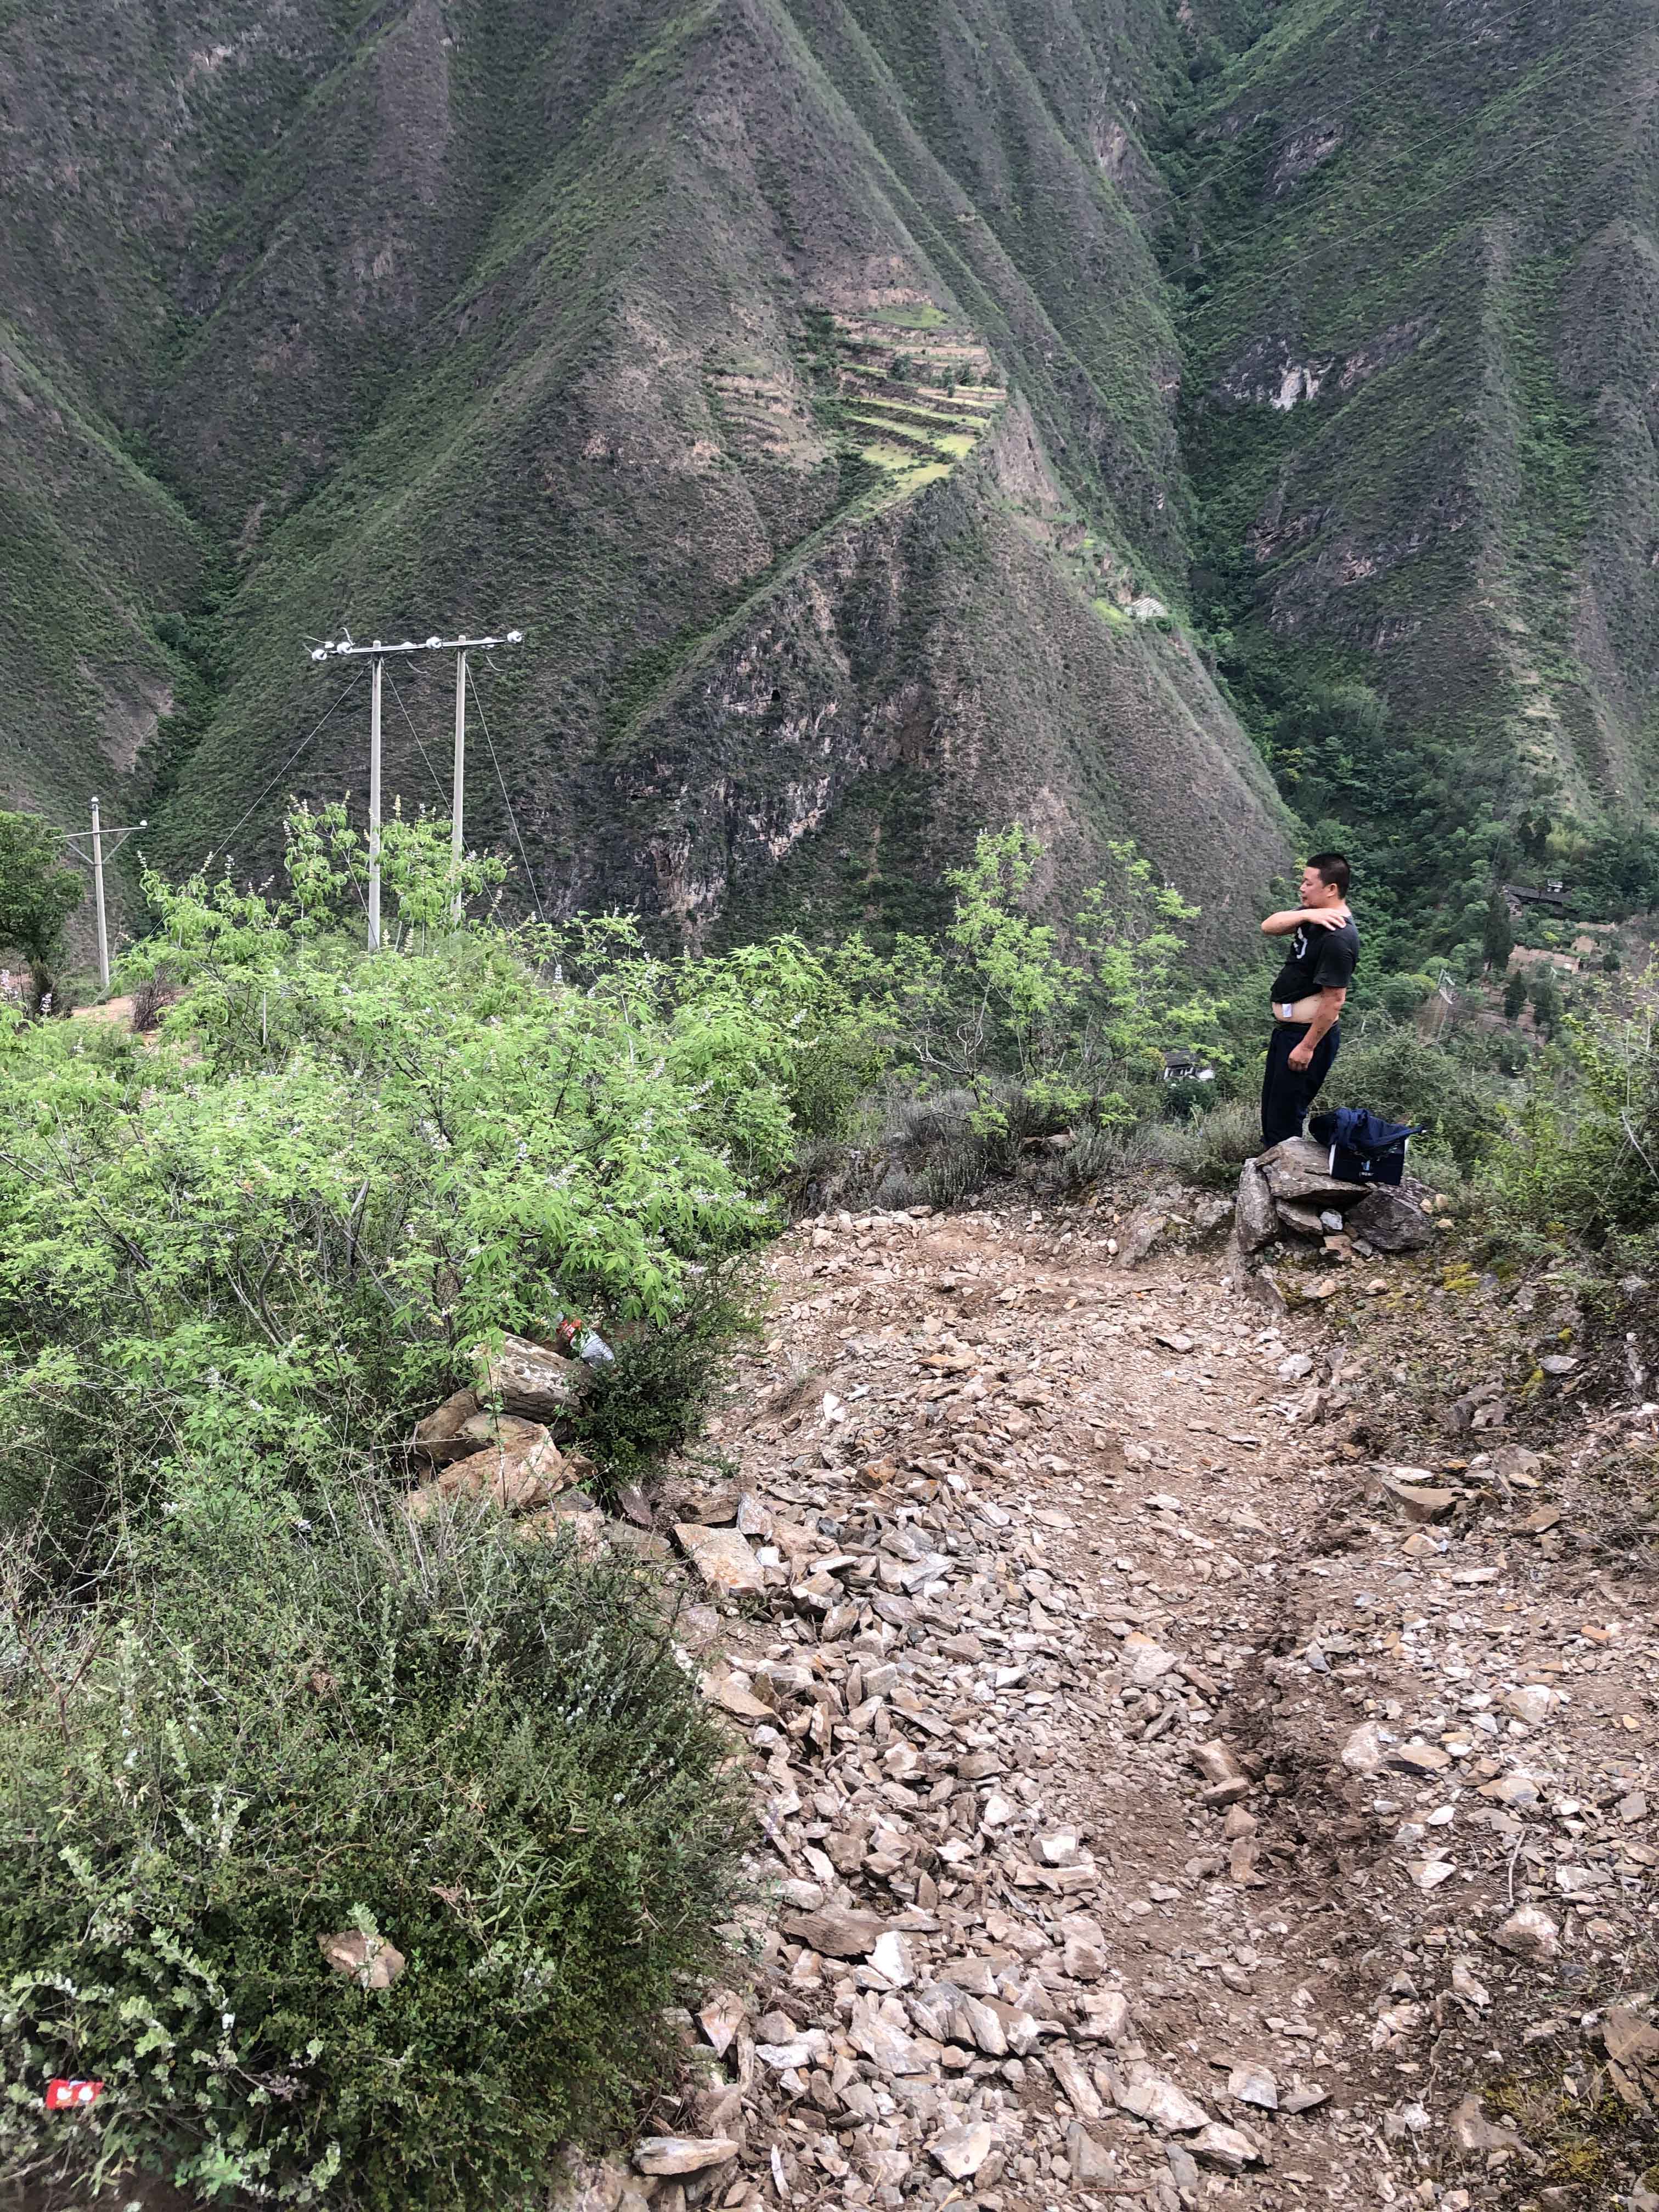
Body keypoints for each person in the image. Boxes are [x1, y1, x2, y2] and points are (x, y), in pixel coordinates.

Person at [1257, 853, 1359, 1148]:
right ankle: (1269, 1180)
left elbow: (1334, 1000)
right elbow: (1269, 926)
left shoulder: (1339, 938)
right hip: (1287, 1033)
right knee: (1272, 1112)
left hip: (1306, 1038)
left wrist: (1307, 1047)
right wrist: (1306, 915)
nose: (1302, 888)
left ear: (1331, 889)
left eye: (1308, 883)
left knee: (1286, 1118)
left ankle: (1289, 1188)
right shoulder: (1313, 915)